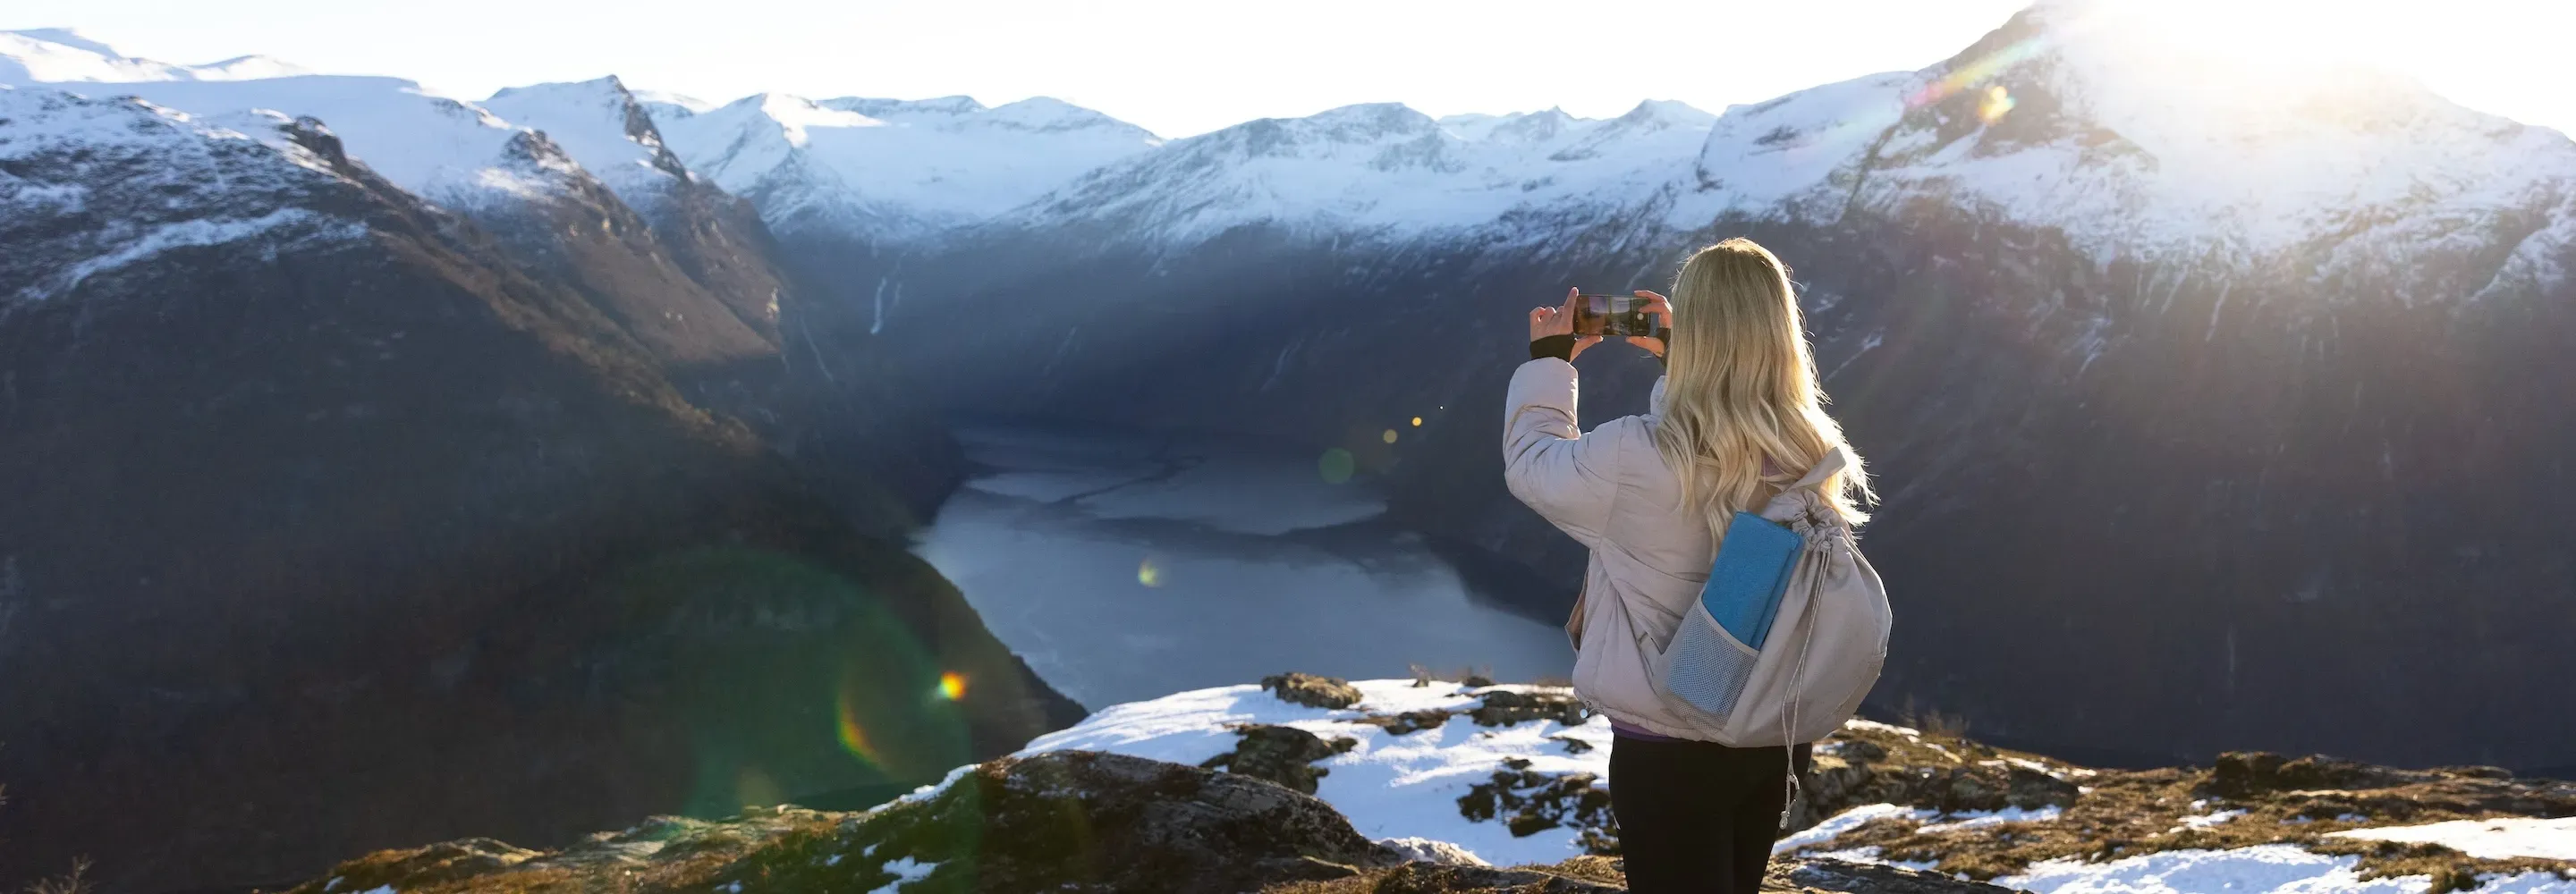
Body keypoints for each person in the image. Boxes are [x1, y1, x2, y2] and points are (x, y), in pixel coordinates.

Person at [1502, 238, 1874, 893]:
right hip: (1768, 734)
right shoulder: (1810, 449)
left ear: (1694, 329)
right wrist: (1687, 359)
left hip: (1666, 748)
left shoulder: (1636, 456)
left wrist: (1550, 363)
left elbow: (1533, 467)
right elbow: (1726, 424)